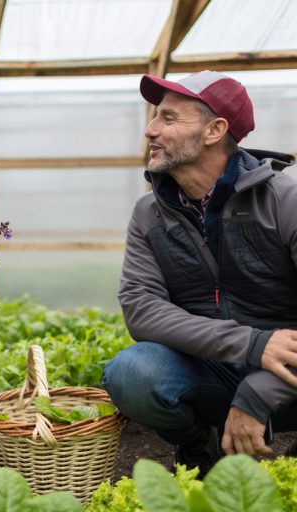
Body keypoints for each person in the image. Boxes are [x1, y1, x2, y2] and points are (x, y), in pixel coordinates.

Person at [103, 70, 297, 477]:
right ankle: (198, 446)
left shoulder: (285, 201)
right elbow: (142, 309)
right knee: (132, 374)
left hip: (288, 374)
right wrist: (251, 344)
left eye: (169, 118)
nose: (151, 130)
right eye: (156, 117)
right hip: (215, 367)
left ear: (214, 130)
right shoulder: (149, 213)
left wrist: (258, 393)